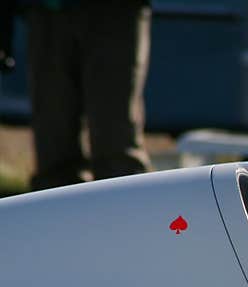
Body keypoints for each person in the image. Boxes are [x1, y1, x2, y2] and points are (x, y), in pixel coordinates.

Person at [21, 0, 152, 190]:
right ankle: (58, 214)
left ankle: (127, 212)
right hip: (47, 9)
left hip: (115, 12)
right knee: (53, 143)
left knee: (116, 143)